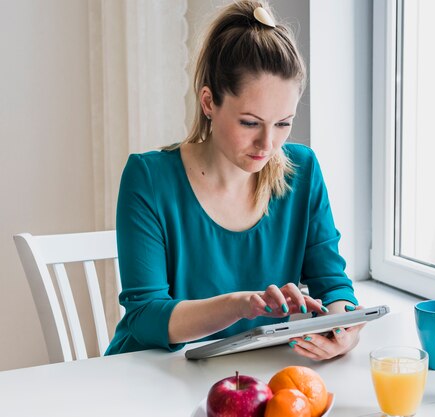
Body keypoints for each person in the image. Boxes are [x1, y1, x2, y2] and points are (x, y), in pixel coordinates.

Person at [105, 0, 362, 361]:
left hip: (251, 373)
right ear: (209, 102)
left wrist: (342, 330)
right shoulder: (148, 178)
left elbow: (333, 285)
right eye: (250, 122)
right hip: (151, 375)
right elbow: (145, 318)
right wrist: (241, 306)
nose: (268, 144)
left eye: (283, 123)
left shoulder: (302, 171)